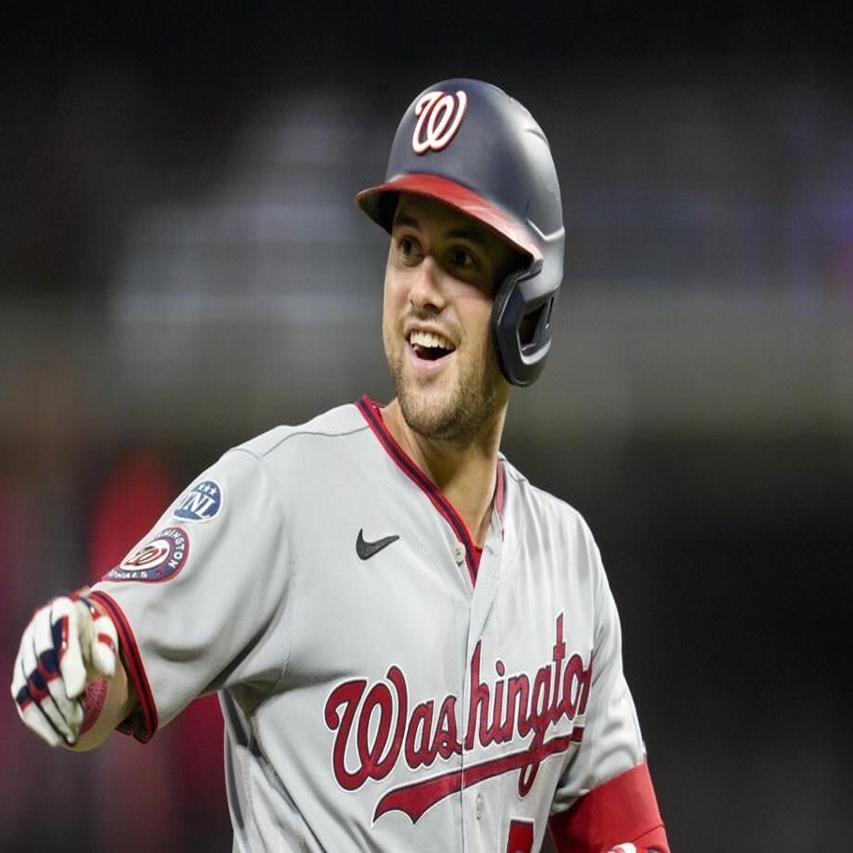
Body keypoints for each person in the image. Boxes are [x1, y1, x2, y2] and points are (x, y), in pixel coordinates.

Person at [11, 79, 670, 853]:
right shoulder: (283, 493)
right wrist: (77, 661)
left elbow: (623, 830)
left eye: (459, 259)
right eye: (407, 250)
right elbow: (114, 651)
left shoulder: (567, 556)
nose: (420, 290)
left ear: (525, 303)